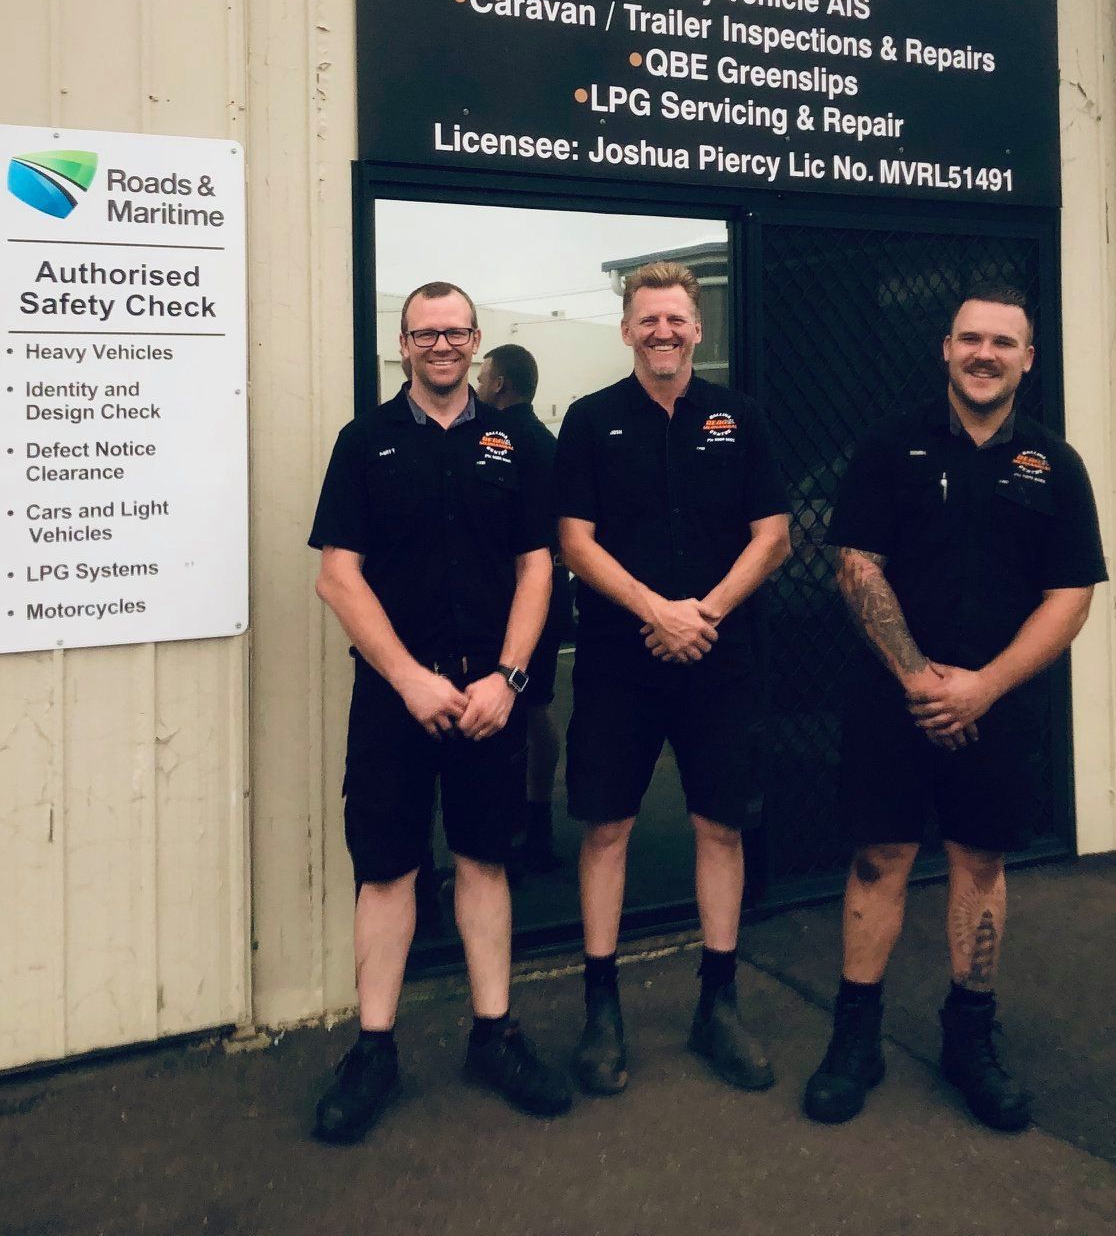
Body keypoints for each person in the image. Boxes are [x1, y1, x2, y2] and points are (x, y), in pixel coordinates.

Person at [803, 282, 1106, 1133]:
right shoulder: (886, 447)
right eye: (969, 338)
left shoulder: (1053, 463)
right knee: (878, 860)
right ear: (944, 347)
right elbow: (856, 565)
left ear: (1027, 358)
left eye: (1002, 342)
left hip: (999, 706)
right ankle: (853, 1039)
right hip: (888, 703)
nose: (983, 353)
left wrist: (984, 684)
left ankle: (968, 1038)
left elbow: (1070, 593)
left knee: (979, 863)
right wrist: (918, 680)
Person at [308, 280, 571, 1143]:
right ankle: (374, 1050)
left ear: (475, 339)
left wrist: (509, 676)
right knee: (385, 869)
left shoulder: (515, 443)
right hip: (396, 699)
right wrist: (407, 678)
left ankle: (493, 1035)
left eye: (456, 331)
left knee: (484, 860)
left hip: (488, 695)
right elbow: (337, 574)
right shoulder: (365, 442)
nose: (442, 344)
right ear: (404, 342)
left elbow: (539, 567)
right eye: (426, 333)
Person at [554, 260, 791, 1095]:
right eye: (647, 317)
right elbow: (574, 541)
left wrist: (704, 614)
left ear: (697, 330)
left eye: (676, 319)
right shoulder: (589, 421)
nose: (662, 330)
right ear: (626, 329)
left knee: (719, 826)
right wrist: (656, 610)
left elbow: (772, 535)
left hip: (721, 658)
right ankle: (601, 1011)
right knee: (607, 828)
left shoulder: (741, 418)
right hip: (622, 661)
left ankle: (716, 1004)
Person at [477, 343, 573, 874]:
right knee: (537, 705)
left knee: (508, 709)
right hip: (554, 589)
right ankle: (538, 828)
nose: (479, 384)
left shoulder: (499, 440)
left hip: (516, 595)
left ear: (500, 385)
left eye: (483, 375)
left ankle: (509, 835)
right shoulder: (547, 441)